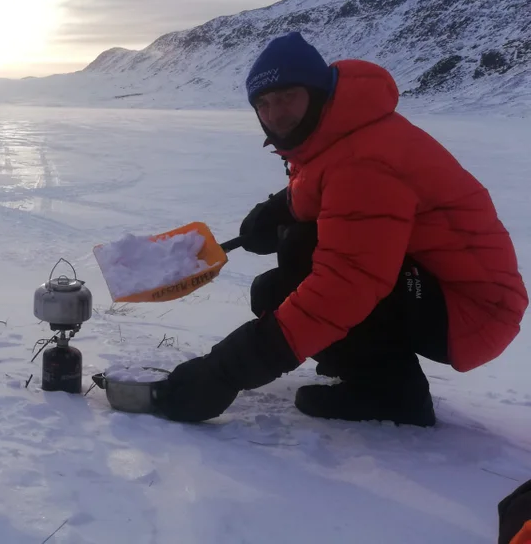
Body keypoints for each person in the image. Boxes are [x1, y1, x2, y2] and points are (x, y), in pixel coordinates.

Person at [153, 32, 528, 427]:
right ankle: (367, 368)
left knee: (305, 251)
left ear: (318, 93)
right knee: (273, 289)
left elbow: (346, 285)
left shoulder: (367, 159)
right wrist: (279, 208)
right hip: (440, 285)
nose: (275, 114)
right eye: (263, 104)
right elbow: (325, 187)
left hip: (472, 308)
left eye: (286, 97)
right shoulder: (342, 136)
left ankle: (392, 394)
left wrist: (224, 372)